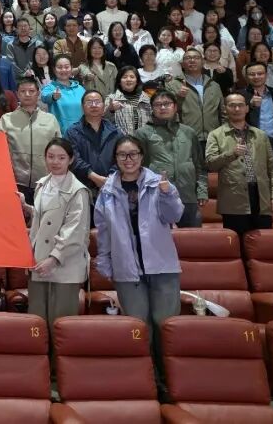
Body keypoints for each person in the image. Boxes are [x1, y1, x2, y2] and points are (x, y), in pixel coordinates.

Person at [94, 136, 183, 383]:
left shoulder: (159, 184)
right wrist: (105, 261)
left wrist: (167, 194)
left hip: (162, 268)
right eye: (122, 155)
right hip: (127, 269)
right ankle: (147, 380)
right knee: (139, 326)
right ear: (115, 159)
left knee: (165, 325)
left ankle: (171, 379)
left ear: (142, 156)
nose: (128, 159)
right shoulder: (107, 191)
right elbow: (103, 231)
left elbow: (174, 215)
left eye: (133, 154)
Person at [20, 137, 90, 328]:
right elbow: (45, 219)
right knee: (37, 321)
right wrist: (26, 207)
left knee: (61, 324)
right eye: (51, 157)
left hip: (64, 263)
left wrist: (54, 259)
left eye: (61, 157)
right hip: (39, 262)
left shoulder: (78, 191)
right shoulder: (42, 184)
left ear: (71, 160)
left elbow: (75, 230)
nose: (55, 162)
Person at [206, 93, 273, 237]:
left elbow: (272, 168)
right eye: (232, 105)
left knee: (263, 242)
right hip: (233, 198)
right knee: (238, 242)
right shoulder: (216, 135)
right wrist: (232, 154)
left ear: (247, 108)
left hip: (260, 195)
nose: (237, 109)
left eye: (240, 105)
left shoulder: (260, 135)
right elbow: (211, 164)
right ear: (225, 109)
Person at [135, 90, 207, 228]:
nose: (162, 107)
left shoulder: (188, 132)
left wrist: (202, 191)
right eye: (158, 104)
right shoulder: (142, 134)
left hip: (187, 195)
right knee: (161, 238)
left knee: (192, 238)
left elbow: (200, 165)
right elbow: (138, 167)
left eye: (167, 104)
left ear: (175, 107)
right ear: (152, 108)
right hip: (157, 195)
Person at [0, 77, 61, 203]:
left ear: (38, 93)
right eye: (23, 91)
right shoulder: (6, 120)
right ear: (17, 94)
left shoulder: (50, 119)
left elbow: (59, 150)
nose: (27, 94)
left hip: (45, 182)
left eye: (31, 91)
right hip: (15, 182)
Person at [66, 90, 123, 197]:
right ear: (82, 107)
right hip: (81, 188)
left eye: (97, 102)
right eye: (89, 102)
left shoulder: (115, 131)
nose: (93, 105)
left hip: (112, 186)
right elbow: (73, 159)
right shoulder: (72, 132)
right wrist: (94, 177)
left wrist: (109, 178)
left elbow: (121, 157)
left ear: (104, 106)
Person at [165, 48, 224, 143]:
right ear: (182, 64)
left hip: (213, 139)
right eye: (188, 58)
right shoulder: (172, 85)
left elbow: (223, 113)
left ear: (203, 62)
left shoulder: (214, 85)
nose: (192, 60)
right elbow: (167, 113)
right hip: (186, 139)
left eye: (196, 57)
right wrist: (178, 97)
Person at [41, 56, 85, 134]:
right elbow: (44, 97)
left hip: (82, 133)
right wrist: (53, 96)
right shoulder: (50, 87)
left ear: (71, 68)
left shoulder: (80, 88)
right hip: (62, 134)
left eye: (66, 67)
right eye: (59, 67)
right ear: (54, 69)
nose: (63, 70)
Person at [106, 66, 151, 135]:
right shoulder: (111, 98)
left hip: (143, 139)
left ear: (137, 81)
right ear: (119, 81)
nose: (128, 79)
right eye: (125, 77)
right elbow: (103, 120)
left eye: (132, 77)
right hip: (122, 140)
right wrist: (111, 110)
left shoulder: (146, 98)